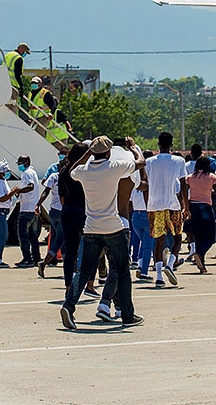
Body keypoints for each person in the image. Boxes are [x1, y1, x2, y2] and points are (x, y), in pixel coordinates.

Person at [59, 136, 145, 330]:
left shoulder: (84, 171)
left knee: (83, 272)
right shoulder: (113, 167)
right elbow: (141, 163)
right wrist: (133, 148)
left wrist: (88, 153)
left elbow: (72, 169)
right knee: (122, 271)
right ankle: (127, 315)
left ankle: (68, 306)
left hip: (91, 227)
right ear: (108, 153)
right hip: (113, 226)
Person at [144, 132, 188, 287]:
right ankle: (169, 264)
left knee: (158, 240)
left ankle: (158, 277)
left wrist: (147, 204)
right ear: (171, 145)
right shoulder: (179, 161)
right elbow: (183, 184)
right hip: (173, 204)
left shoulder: (149, 162)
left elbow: (145, 185)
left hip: (154, 205)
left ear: (158, 145)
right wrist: (186, 207)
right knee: (177, 238)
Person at [185, 157, 216, 273]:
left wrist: (185, 206)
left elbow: (183, 191)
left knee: (198, 236)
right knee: (210, 237)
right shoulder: (212, 177)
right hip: (205, 207)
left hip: (192, 207)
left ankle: (202, 266)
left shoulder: (190, 177)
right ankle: (200, 254)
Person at [58, 143, 89, 289]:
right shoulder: (83, 171)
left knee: (70, 251)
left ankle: (68, 286)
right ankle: (89, 284)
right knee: (90, 248)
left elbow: (62, 196)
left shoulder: (64, 171)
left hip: (68, 210)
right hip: (83, 211)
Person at [36, 151, 66, 278]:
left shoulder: (54, 176)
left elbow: (45, 192)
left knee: (58, 238)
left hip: (53, 211)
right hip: (62, 212)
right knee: (61, 240)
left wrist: (38, 204)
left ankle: (68, 266)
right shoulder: (66, 177)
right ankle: (44, 263)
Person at [13, 155, 42, 266]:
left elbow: (30, 186)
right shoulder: (32, 172)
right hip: (33, 208)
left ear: (25, 162)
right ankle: (36, 258)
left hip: (27, 209)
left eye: (20, 163)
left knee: (22, 235)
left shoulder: (27, 173)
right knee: (33, 236)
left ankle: (27, 258)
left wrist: (19, 191)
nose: (19, 165)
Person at [130, 152, 154, 280]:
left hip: (135, 216)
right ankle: (144, 271)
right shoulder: (150, 185)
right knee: (147, 246)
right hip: (147, 215)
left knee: (143, 243)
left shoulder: (134, 185)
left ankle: (139, 265)